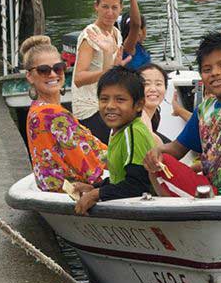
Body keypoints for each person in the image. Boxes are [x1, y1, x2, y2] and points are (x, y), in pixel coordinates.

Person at [143, 33, 221, 196]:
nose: (215, 73)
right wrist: (156, 152)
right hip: (212, 192)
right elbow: (177, 148)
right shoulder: (204, 109)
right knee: (161, 160)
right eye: (207, 69)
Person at [21, 35, 106, 192]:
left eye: (58, 68)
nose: (53, 74)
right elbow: (88, 163)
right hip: (71, 192)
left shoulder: (35, 109)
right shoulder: (52, 114)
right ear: (29, 76)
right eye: (43, 70)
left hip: (52, 189)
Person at [71, 67, 155, 214]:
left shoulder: (133, 132)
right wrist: (95, 187)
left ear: (139, 105)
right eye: (104, 99)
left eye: (120, 99)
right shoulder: (120, 132)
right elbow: (121, 178)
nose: (110, 106)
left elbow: (137, 185)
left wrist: (96, 195)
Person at [71, 0, 141, 142]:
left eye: (114, 7)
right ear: (96, 6)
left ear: (120, 9)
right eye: (105, 7)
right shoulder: (90, 35)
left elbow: (136, 26)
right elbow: (79, 78)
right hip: (90, 108)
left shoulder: (116, 33)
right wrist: (107, 72)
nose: (110, 12)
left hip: (108, 103)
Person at [137, 63, 171, 145]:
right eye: (146, 84)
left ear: (165, 89)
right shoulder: (137, 117)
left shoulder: (155, 116)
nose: (153, 89)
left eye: (158, 84)